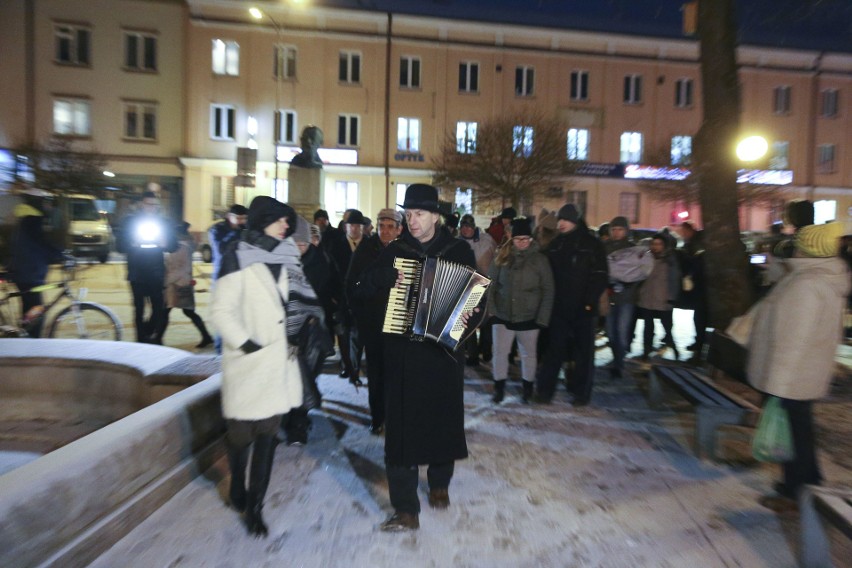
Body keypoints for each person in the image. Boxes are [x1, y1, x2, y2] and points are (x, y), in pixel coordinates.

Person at [357, 183, 483, 532]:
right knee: (399, 433)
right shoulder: (395, 251)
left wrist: (464, 321)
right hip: (402, 355)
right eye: (408, 214)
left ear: (436, 216)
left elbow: (475, 302)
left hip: (442, 356)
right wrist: (379, 278)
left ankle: (440, 483)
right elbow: (361, 289)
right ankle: (406, 509)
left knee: (442, 423)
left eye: (419, 214)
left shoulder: (458, 251)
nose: (411, 221)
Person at [210, 196, 304, 537]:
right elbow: (221, 310)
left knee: (267, 436)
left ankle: (255, 507)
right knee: (240, 436)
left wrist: (301, 326)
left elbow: (295, 301)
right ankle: (237, 481)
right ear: (264, 220)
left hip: (278, 363)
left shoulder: (286, 255)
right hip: (248, 363)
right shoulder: (237, 255)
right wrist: (246, 343)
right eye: (281, 221)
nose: (287, 227)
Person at [747, 222, 849, 511]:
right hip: (802, 373)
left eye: (800, 243)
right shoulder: (815, 277)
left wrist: (778, 384)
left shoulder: (807, 284)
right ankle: (807, 481)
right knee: (799, 431)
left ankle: (797, 492)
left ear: (808, 247)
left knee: (793, 433)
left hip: (791, 375)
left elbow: (793, 339)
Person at [535, 203, 608, 406]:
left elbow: (600, 275)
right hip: (559, 309)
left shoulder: (592, 244)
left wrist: (588, 302)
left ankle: (581, 393)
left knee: (583, 353)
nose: (561, 223)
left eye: (566, 220)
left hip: (584, 310)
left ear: (575, 221)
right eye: (560, 220)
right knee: (554, 350)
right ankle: (544, 391)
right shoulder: (557, 244)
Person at [346, 208, 403, 435]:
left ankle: (396, 416)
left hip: (400, 325)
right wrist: (375, 280)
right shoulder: (366, 250)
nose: (385, 231)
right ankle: (378, 417)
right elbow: (352, 286)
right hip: (374, 324)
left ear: (399, 229)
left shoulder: (407, 251)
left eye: (391, 227)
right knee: (377, 374)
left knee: (398, 374)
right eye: (382, 226)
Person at [487, 217, 554, 403]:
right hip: (503, 314)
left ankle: (527, 389)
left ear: (531, 239)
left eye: (525, 239)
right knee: (500, 353)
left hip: (529, 316)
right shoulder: (501, 256)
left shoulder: (540, 260)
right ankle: (498, 388)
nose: (522, 243)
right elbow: (489, 284)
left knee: (528, 355)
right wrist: (491, 310)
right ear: (512, 239)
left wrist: (542, 317)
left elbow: (548, 289)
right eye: (518, 239)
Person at [279, 215, 331, 446]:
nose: (301, 247)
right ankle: (289, 422)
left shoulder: (319, 261)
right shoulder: (281, 262)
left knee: (305, 381)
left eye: (304, 243)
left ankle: (298, 425)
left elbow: (327, 294)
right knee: (291, 382)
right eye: (296, 242)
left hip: (312, 335)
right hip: (286, 334)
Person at [116, 191, 177, 343]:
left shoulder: (163, 223)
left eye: (155, 205)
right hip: (137, 272)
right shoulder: (131, 222)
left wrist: (165, 243)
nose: (152, 208)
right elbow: (119, 246)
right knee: (139, 309)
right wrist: (132, 243)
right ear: (142, 205)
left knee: (159, 309)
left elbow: (173, 245)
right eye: (149, 204)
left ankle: (149, 332)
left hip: (156, 272)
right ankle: (140, 341)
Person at [8, 188, 64, 338]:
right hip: (29, 273)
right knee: (37, 313)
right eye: (45, 203)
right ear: (37, 203)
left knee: (30, 311)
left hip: (25, 271)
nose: (48, 206)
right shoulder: (32, 219)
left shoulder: (26, 218)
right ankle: (30, 344)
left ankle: (25, 336)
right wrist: (61, 254)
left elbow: (39, 243)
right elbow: (41, 243)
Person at [603, 216, 651, 377]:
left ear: (626, 231)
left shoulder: (633, 249)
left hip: (627, 298)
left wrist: (629, 284)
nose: (616, 233)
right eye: (614, 229)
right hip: (609, 297)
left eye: (620, 229)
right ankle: (617, 359)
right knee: (610, 333)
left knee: (622, 333)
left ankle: (619, 364)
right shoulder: (605, 248)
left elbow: (641, 272)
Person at [326, 209, 367, 382]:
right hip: (341, 298)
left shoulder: (369, 245)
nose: (355, 229)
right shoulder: (336, 245)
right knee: (343, 335)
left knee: (358, 336)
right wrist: (333, 296)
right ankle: (346, 366)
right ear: (346, 227)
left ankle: (354, 369)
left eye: (358, 225)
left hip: (363, 299)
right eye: (352, 225)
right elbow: (329, 272)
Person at [159, 222, 213, 348]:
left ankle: (158, 338)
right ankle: (206, 336)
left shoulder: (182, 248)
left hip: (178, 285)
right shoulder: (185, 246)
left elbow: (179, 269)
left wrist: (165, 281)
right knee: (181, 312)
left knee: (169, 311)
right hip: (180, 283)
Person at [458, 213, 497, 366]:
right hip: (467, 288)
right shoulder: (457, 242)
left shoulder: (486, 241)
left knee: (486, 320)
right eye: (463, 227)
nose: (466, 229)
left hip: (485, 285)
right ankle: (472, 354)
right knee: (469, 320)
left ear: (473, 227)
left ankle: (486, 350)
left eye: (469, 226)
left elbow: (495, 260)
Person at [636, 233, 681, 360]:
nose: (656, 247)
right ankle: (646, 349)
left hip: (663, 298)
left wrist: (671, 297)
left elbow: (674, 279)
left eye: (659, 244)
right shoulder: (646, 258)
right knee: (648, 326)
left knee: (666, 325)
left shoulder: (670, 260)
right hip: (647, 297)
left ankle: (673, 346)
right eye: (654, 244)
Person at [676, 221, 706, 363]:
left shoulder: (697, 244)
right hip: (698, 287)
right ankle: (698, 343)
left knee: (700, 318)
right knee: (698, 317)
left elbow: (695, 262)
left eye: (683, 231)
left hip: (701, 286)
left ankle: (699, 347)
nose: (682, 234)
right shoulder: (691, 243)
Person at [209, 204, 248, 282]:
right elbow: (220, 249)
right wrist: (235, 232)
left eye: (244, 218)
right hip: (223, 274)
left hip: (241, 275)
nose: (242, 221)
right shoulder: (217, 229)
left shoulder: (245, 230)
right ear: (229, 216)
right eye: (238, 218)